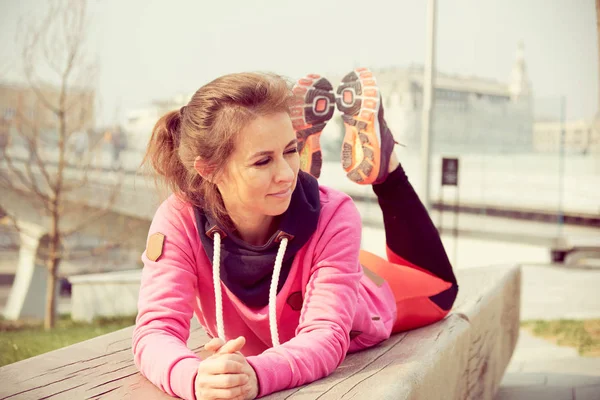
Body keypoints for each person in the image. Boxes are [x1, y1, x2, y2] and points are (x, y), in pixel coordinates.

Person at [133, 69, 458, 400]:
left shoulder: (336, 214)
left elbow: (327, 335)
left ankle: (386, 168)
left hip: (361, 290)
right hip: (313, 258)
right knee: (303, 208)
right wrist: (195, 377)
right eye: (263, 161)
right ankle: (294, 201)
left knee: (440, 290)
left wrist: (257, 375)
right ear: (208, 169)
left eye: (290, 152)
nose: (287, 173)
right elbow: (155, 330)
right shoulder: (179, 220)